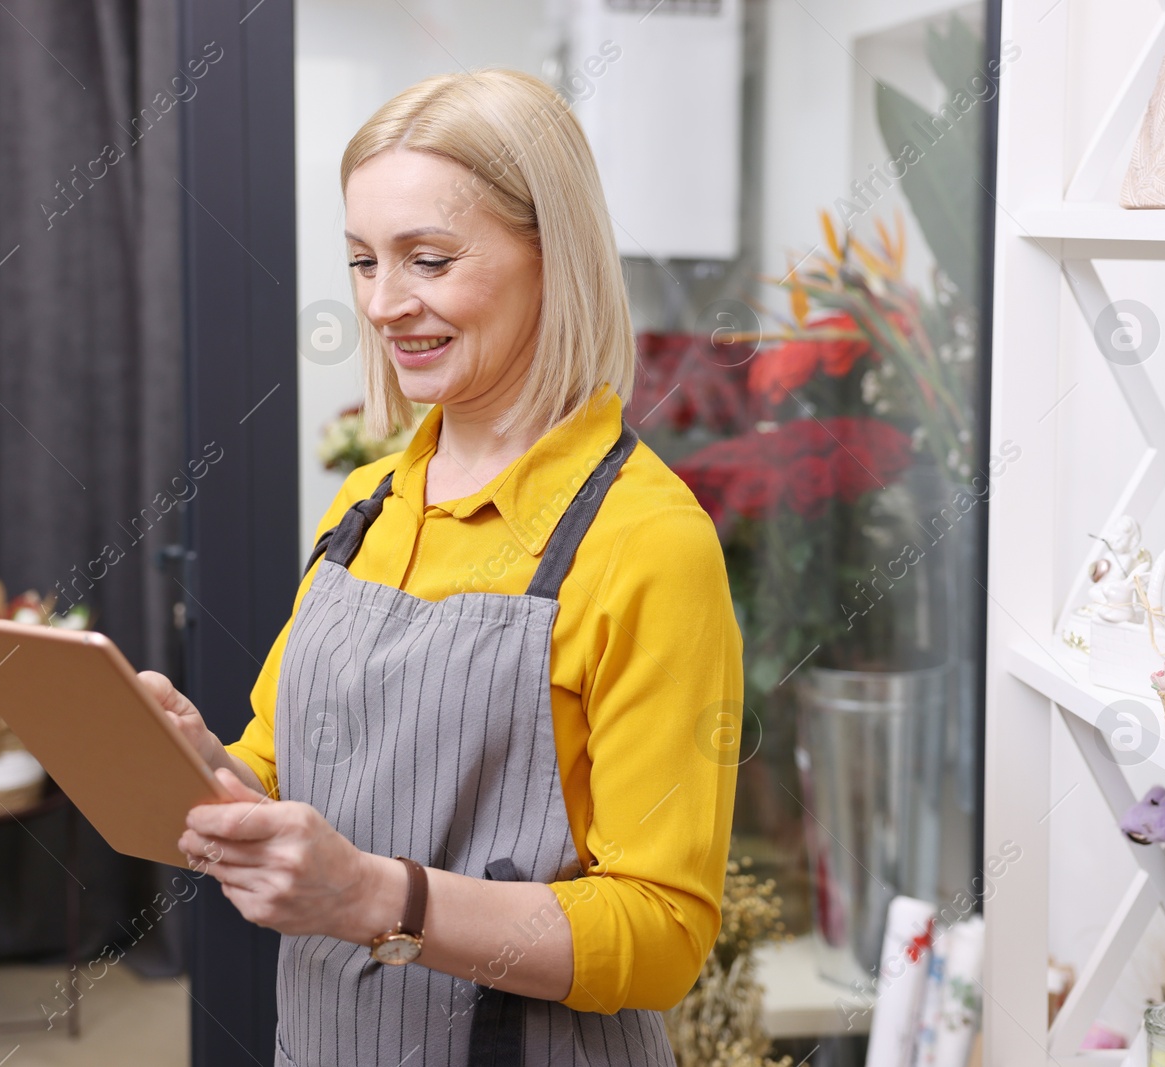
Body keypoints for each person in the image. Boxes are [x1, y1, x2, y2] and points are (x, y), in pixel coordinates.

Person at [138, 68, 743, 1066]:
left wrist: (379, 895)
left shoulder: (644, 541)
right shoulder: (364, 506)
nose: (383, 303)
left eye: (427, 259)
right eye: (363, 261)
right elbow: (284, 774)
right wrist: (190, 763)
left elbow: (661, 936)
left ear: (555, 254)